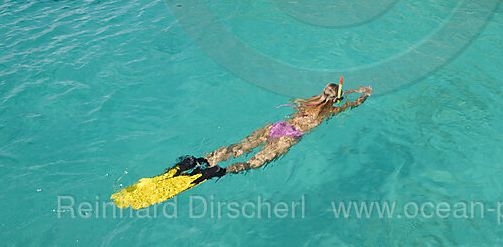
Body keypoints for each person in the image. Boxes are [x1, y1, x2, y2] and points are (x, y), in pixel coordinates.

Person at [112, 81, 371, 208]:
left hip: (276, 126)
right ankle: (216, 171)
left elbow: (328, 96)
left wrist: (336, 93)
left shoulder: (307, 104)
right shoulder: (329, 112)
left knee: (235, 148)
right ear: (334, 101)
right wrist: (360, 94)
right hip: (289, 136)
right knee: (251, 163)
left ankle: (197, 162)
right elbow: (353, 104)